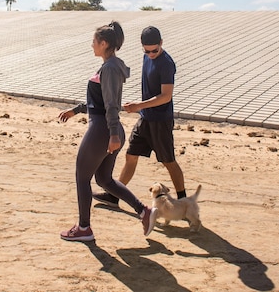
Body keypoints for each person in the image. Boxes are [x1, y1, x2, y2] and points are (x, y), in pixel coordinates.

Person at [58, 21, 158, 242]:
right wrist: (76, 111)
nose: (91, 45)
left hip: (104, 130)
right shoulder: (109, 66)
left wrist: (113, 133)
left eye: (94, 41)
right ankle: (144, 212)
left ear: (104, 43)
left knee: (82, 177)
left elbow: (112, 104)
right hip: (106, 129)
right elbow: (100, 101)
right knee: (104, 179)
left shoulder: (111, 68)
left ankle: (84, 228)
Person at [93, 26, 186, 208]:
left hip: (161, 121)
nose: (150, 54)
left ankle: (183, 201)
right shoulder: (146, 56)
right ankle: (114, 195)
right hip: (145, 118)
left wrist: (139, 106)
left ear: (161, 43)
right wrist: (139, 107)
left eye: (154, 50)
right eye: (146, 50)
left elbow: (166, 95)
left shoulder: (166, 64)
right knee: (131, 155)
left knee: (168, 161)